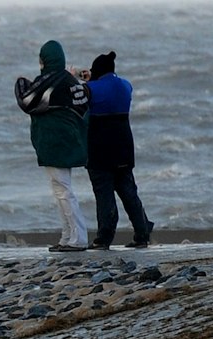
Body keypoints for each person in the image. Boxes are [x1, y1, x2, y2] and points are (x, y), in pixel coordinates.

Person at [14, 40, 90, 252]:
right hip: (69, 141)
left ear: (45, 60)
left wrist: (20, 80)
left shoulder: (50, 81)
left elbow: (26, 100)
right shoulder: (69, 81)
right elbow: (83, 103)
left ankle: (79, 238)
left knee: (63, 190)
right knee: (59, 189)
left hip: (55, 143)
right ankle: (67, 237)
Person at [79, 51, 156, 249]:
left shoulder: (90, 89)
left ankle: (104, 238)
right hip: (124, 148)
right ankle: (142, 234)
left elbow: (81, 95)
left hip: (100, 149)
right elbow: (107, 87)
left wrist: (82, 79)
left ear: (97, 71)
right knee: (129, 192)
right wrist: (93, 79)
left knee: (104, 195)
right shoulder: (126, 86)